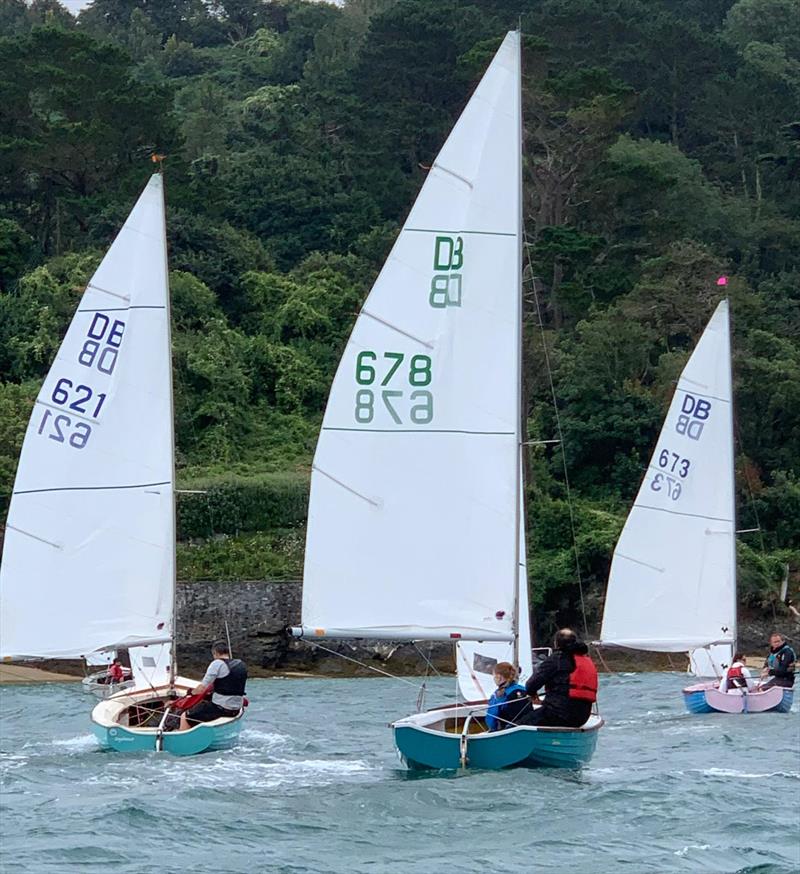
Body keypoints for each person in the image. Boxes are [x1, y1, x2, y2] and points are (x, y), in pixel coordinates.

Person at [516, 628, 598, 728]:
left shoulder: (556, 659)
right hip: (582, 717)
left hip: (557, 714)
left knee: (515, 726)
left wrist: (532, 694)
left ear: (556, 644)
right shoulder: (586, 660)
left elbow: (531, 685)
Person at [178, 640, 247, 731]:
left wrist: (191, 692)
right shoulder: (241, 664)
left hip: (221, 708)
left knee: (185, 716)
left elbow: (202, 688)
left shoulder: (217, 664)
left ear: (215, 653)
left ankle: (183, 739)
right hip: (236, 709)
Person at [485, 662, 528, 731]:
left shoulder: (498, 695)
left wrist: (492, 729)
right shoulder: (524, 689)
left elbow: (491, 719)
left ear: (499, 677)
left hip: (507, 732)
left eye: (494, 676)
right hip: (527, 728)